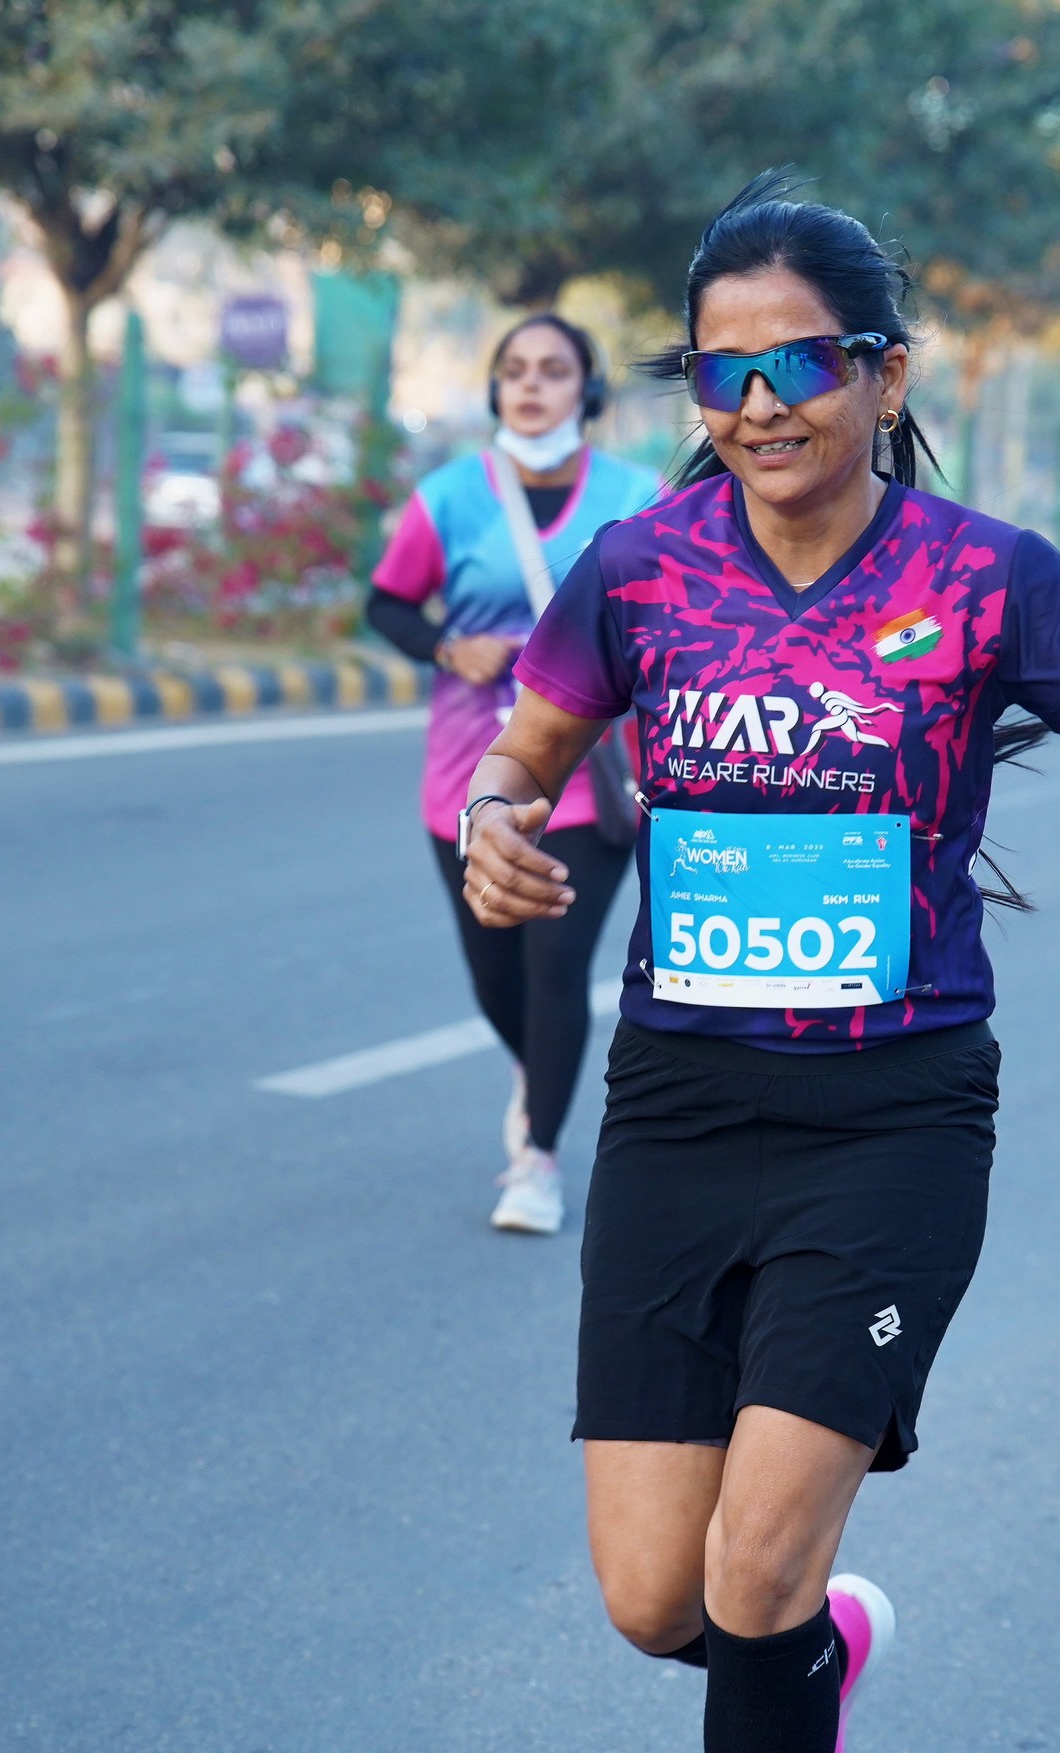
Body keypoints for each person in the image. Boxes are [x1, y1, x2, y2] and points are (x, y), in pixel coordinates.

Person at [454, 174, 1060, 1753]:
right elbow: (523, 754)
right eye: (722, 369)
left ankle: (789, 1645)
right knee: (654, 1595)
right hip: (680, 1108)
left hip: (890, 1119)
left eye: (799, 363)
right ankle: (828, 1653)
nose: (759, 402)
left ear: (884, 376)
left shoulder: (987, 577)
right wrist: (495, 822)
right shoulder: (638, 570)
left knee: (756, 1567)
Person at [363, 313, 660, 1233]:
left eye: (554, 370)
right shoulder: (450, 497)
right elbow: (386, 603)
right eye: (515, 370)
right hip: (470, 776)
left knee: (556, 967)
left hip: (591, 773)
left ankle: (535, 1159)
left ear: (588, 391)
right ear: (495, 390)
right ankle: (540, 1073)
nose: (531, 385)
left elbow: (672, 617)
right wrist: (448, 648)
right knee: (497, 976)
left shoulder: (637, 496)